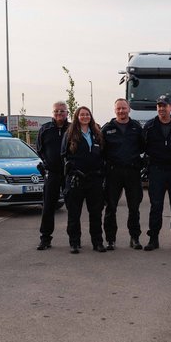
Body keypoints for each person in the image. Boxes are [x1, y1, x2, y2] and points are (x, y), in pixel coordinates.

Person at [143, 95, 171, 251]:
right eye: (159, 106)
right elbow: (143, 147)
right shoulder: (149, 126)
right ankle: (153, 239)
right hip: (157, 172)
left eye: (165, 105)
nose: (161, 108)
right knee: (156, 207)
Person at [101, 98, 146, 251]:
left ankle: (135, 238)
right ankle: (111, 240)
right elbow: (101, 151)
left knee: (134, 207)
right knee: (111, 208)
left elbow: (143, 148)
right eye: (118, 109)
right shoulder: (107, 129)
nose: (121, 111)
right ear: (115, 110)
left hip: (132, 172)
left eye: (124, 108)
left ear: (129, 109)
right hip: (113, 173)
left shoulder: (136, 127)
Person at [61, 106, 106, 254]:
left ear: (90, 117)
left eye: (87, 114)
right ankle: (74, 242)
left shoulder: (97, 133)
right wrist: (72, 171)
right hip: (76, 178)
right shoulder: (70, 134)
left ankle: (97, 242)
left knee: (96, 213)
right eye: (82, 114)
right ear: (77, 117)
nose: (85, 117)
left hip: (94, 179)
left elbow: (103, 155)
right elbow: (64, 155)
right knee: (74, 213)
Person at [35, 101, 69, 250]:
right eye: (56, 111)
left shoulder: (73, 128)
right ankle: (45, 238)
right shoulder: (45, 129)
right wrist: (47, 163)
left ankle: (75, 239)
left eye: (62, 111)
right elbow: (40, 149)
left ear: (67, 113)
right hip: (53, 173)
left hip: (70, 173)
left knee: (73, 207)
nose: (59, 114)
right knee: (48, 206)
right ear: (52, 113)